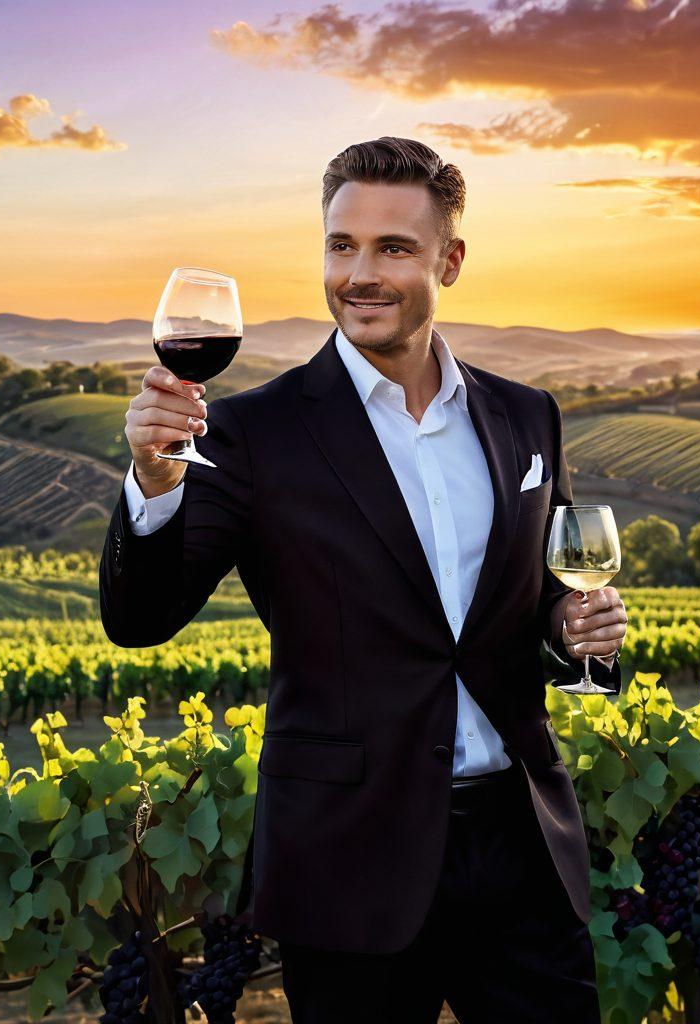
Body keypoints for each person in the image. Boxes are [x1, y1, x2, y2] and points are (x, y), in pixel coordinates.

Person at [99, 136, 628, 1023]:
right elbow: (140, 617)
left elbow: (535, 606)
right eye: (341, 246)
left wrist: (573, 633)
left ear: (449, 260)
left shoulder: (527, 417)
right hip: (351, 859)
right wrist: (155, 486)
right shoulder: (252, 437)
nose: (359, 274)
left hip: (521, 846)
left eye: (393, 248)